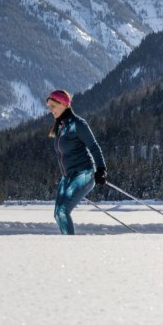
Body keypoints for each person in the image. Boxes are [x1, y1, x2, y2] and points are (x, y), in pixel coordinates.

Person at [46, 89, 107, 235]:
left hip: (84, 173)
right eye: (49, 107)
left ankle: (70, 247)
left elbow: (94, 146)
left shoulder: (78, 124)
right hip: (67, 177)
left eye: (53, 106)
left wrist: (101, 169)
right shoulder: (61, 127)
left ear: (63, 104)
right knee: (58, 214)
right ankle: (68, 244)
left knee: (63, 211)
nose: (50, 110)